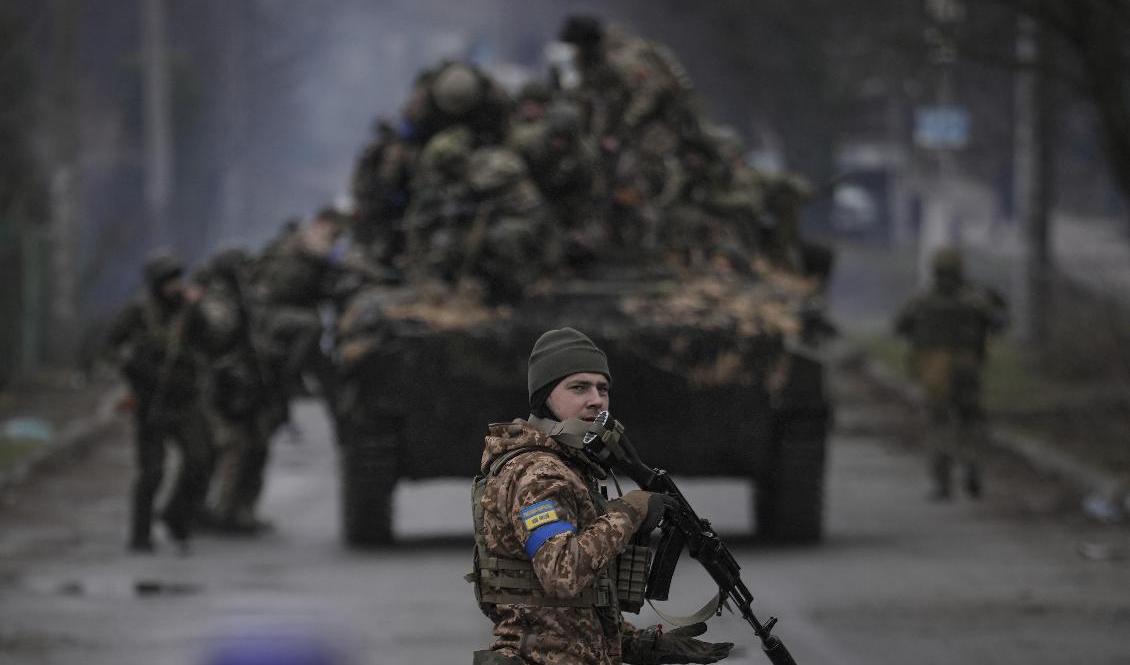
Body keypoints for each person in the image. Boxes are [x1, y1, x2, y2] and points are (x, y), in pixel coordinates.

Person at [470, 327, 733, 664]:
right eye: (578, 387)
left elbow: (568, 615)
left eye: (603, 389)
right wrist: (629, 511)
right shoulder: (538, 474)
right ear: (544, 398)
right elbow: (562, 574)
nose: (596, 399)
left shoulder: (568, 467)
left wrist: (640, 645)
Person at [106, 250, 210, 553]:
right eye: (168, 281)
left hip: (185, 398)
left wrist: (196, 309)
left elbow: (210, 340)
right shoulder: (139, 312)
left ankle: (176, 515)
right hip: (151, 399)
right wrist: (133, 367)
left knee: (199, 460)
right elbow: (112, 345)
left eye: (177, 280)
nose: (174, 286)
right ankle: (140, 534)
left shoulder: (188, 312)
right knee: (152, 471)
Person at [894, 248, 1009, 500]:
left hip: (935, 368)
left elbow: (900, 326)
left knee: (939, 422)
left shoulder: (921, 300)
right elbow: (999, 323)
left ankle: (942, 482)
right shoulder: (975, 299)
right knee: (970, 420)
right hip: (966, 366)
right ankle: (972, 471)